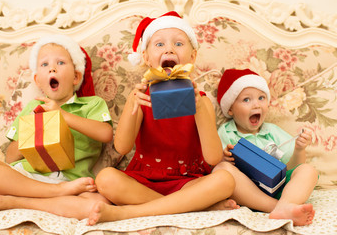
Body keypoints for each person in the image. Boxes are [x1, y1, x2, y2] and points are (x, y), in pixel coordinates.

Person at [86, 11, 238, 225]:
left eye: (178, 43)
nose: (169, 49)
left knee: (225, 181)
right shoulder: (139, 97)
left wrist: (199, 109)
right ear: (146, 58)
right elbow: (121, 147)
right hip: (144, 181)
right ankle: (189, 208)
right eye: (159, 44)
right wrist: (133, 105)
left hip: (187, 182)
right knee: (105, 178)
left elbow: (213, 158)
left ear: (192, 57)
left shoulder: (201, 101)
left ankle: (129, 213)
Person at [0, 35, 113, 215]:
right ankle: (56, 192)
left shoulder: (91, 104)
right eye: (44, 64)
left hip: (72, 180)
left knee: (97, 206)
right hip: (27, 180)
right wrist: (34, 132)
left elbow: (106, 134)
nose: (52, 68)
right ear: (37, 81)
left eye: (60, 63)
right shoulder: (32, 108)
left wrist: (62, 115)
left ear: (76, 77)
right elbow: (10, 158)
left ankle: (19, 202)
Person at [212, 68, 319, 226]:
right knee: (221, 170)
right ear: (230, 109)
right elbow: (213, 161)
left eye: (261, 98)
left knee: (309, 170)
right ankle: (279, 208)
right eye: (246, 100)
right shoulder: (226, 132)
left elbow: (294, 166)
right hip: (247, 192)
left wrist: (299, 149)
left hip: (280, 190)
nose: (256, 104)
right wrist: (223, 157)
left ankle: (285, 204)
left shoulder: (272, 131)